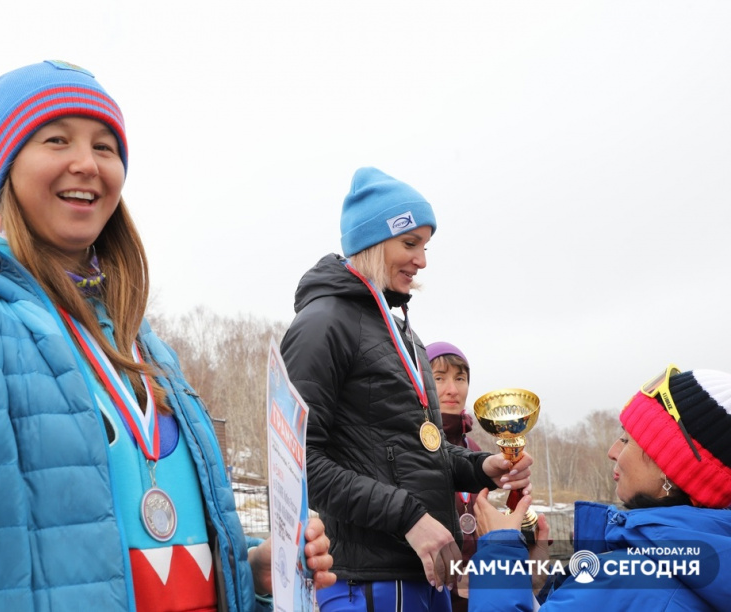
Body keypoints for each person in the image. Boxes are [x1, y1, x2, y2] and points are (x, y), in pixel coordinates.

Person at [0, 60, 335, 612]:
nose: (86, 163)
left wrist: (249, 573)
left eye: (105, 147)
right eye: (56, 139)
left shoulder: (146, 346)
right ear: (7, 167)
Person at [279, 167, 533, 612]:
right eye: (410, 244)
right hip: (367, 582)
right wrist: (409, 517)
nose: (422, 261)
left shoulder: (402, 334)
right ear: (373, 242)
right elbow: (300, 464)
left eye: (425, 246)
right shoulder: (323, 324)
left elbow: (419, 450)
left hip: (424, 575)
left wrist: (481, 467)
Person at [469, 366, 731, 611]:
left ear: (670, 466)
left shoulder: (626, 579)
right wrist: (536, 587)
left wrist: (498, 552)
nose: (612, 451)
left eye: (626, 440)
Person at [426, 342, 481, 612]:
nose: (452, 389)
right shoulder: (408, 447)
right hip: (429, 594)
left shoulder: (475, 451)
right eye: (439, 378)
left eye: (460, 378)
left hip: (475, 595)